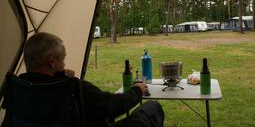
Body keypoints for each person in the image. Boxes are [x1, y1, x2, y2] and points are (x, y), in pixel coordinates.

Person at [19, 32, 164, 127]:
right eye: (63, 59)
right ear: (52, 61)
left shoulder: (19, 88)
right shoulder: (72, 88)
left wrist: (60, 75)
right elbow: (112, 106)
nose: (64, 64)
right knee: (152, 108)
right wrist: (137, 90)